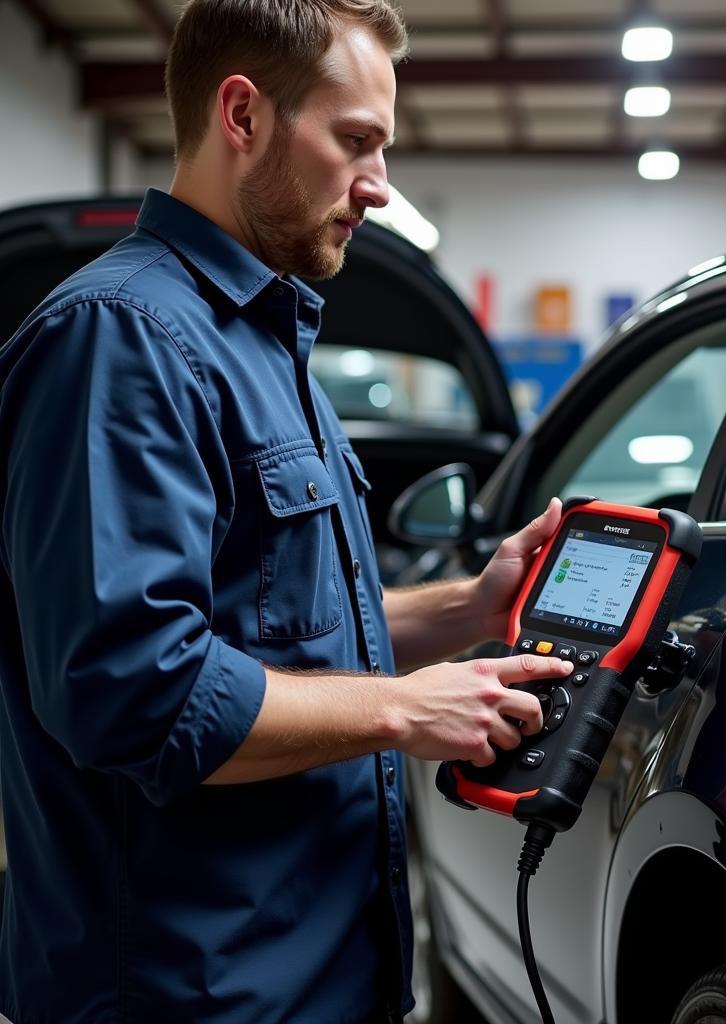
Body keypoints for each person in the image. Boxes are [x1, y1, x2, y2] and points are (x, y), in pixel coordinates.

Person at [0, 2, 572, 1021]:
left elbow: (270, 625)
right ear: (243, 115)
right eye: (355, 140)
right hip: (190, 989)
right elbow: (139, 689)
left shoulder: (265, 342)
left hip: (317, 967)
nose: (378, 184)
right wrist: (408, 711)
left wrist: (466, 610)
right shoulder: (120, 342)